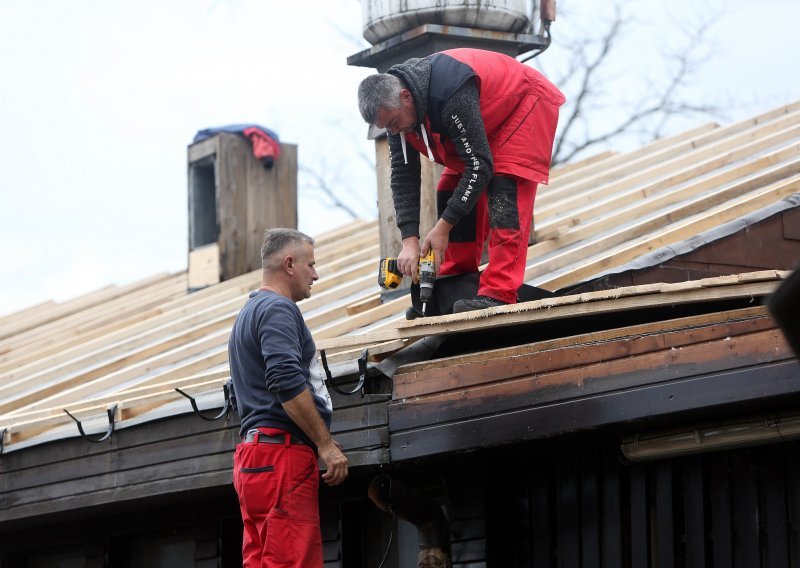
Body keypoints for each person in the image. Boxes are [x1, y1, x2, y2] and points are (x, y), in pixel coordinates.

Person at [358, 48, 565, 312]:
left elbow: (479, 167)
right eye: (387, 127)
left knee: (504, 197)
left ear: (405, 96)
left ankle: (498, 294)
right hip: (483, 124)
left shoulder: (448, 91)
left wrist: (443, 228)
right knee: (449, 190)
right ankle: (454, 283)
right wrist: (409, 239)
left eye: (394, 122)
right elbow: (403, 176)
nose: (394, 131)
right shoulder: (398, 119)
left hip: (524, 104)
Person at [228, 228, 348, 567]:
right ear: (289, 264)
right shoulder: (279, 309)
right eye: (311, 264)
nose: (316, 274)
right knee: (294, 560)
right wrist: (324, 444)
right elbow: (283, 378)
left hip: (254, 459)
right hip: (282, 458)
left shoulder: (247, 314)